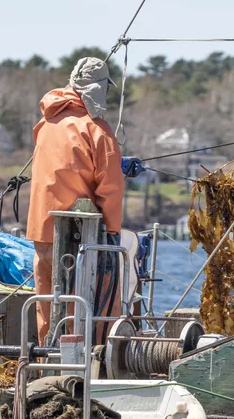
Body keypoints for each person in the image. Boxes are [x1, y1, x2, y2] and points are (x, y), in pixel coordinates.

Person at [26, 57, 143, 346]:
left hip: (43, 231)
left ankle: (46, 364)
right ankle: (93, 362)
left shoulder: (47, 123)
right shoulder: (97, 129)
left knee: (49, 302)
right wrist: (113, 233)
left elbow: (66, 164)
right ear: (99, 88)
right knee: (95, 304)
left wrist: (116, 163)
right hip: (83, 237)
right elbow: (110, 189)